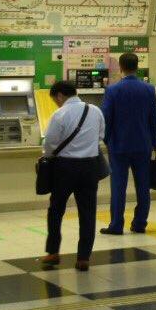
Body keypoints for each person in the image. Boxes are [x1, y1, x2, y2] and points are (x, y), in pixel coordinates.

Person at [39, 81, 103, 271]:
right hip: (90, 166)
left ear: (60, 95)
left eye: (55, 100)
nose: (56, 103)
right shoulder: (95, 111)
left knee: (56, 210)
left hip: (65, 168)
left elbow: (50, 143)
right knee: (88, 213)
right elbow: (100, 136)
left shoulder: (60, 114)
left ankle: (53, 252)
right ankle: (84, 258)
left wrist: (48, 156)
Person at [101, 52, 156, 235]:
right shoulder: (149, 89)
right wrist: (154, 142)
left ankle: (116, 225)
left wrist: (106, 138)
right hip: (143, 145)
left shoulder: (112, 90)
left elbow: (106, 118)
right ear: (138, 67)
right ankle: (140, 223)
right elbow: (154, 118)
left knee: (118, 186)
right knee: (143, 186)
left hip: (118, 145)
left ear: (120, 67)